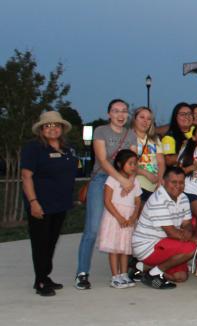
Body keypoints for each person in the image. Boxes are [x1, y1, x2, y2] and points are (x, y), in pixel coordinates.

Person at [77, 99, 138, 290]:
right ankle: (82, 273)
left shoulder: (131, 134)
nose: (120, 115)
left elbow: (134, 162)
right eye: (116, 111)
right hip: (103, 179)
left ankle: (120, 273)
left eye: (124, 111)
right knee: (93, 228)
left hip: (125, 183)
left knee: (123, 228)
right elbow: (102, 160)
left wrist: (130, 181)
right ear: (109, 113)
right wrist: (121, 180)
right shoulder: (101, 131)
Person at [21, 111, 78, 296]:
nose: (52, 129)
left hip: (60, 204)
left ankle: (45, 276)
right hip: (41, 204)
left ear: (62, 128)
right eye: (48, 125)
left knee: (52, 242)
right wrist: (33, 202)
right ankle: (40, 282)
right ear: (41, 129)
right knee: (40, 243)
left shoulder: (67, 148)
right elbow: (26, 176)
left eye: (56, 125)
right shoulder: (34, 148)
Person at [131, 167, 197, 290]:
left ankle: (144, 268)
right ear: (163, 182)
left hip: (165, 242)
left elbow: (187, 223)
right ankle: (154, 274)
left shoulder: (183, 197)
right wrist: (192, 238)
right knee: (191, 248)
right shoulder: (159, 200)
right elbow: (172, 233)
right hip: (148, 246)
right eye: (174, 182)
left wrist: (189, 231)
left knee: (181, 277)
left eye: (181, 182)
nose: (178, 186)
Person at [98, 150, 142, 289]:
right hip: (114, 217)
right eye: (130, 163)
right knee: (114, 247)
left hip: (128, 218)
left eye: (135, 164)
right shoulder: (112, 179)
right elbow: (107, 200)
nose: (133, 166)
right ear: (119, 164)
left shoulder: (136, 181)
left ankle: (124, 274)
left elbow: (138, 201)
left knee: (125, 248)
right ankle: (115, 276)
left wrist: (133, 217)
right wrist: (119, 217)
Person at [132, 106, 166, 202]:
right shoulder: (129, 138)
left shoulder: (154, 139)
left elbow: (161, 162)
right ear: (135, 119)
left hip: (154, 186)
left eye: (149, 119)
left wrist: (159, 180)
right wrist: (145, 173)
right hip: (137, 184)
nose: (145, 121)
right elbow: (128, 163)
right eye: (142, 117)